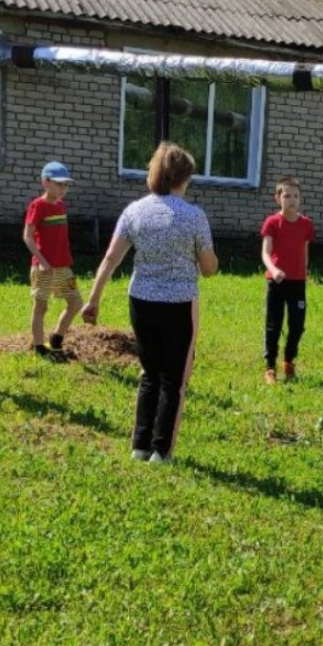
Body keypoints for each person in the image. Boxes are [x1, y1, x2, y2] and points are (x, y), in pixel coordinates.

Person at [81, 142, 218, 463]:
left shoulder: (134, 211)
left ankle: (140, 446)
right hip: (179, 305)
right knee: (175, 379)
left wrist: (93, 300)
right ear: (184, 178)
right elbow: (210, 268)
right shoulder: (194, 216)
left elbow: (111, 258)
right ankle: (162, 451)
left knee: (149, 374)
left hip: (140, 301)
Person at [22, 161, 85, 361]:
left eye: (66, 185)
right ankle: (39, 346)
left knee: (76, 303)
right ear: (45, 182)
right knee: (41, 307)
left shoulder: (61, 205)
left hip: (64, 267)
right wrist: (42, 261)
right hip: (44, 269)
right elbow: (28, 236)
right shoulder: (37, 206)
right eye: (59, 184)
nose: (63, 189)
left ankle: (56, 339)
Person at [260, 177, 316, 384]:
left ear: (300, 199)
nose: (291, 200)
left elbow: (305, 252)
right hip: (277, 282)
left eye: (295, 196)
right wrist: (274, 270)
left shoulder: (306, 224)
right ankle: (270, 367)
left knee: (297, 324)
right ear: (278, 198)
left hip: (297, 282)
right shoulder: (272, 223)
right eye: (286, 196)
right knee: (273, 324)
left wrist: (305, 271)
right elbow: (265, 253)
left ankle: (289, 361)